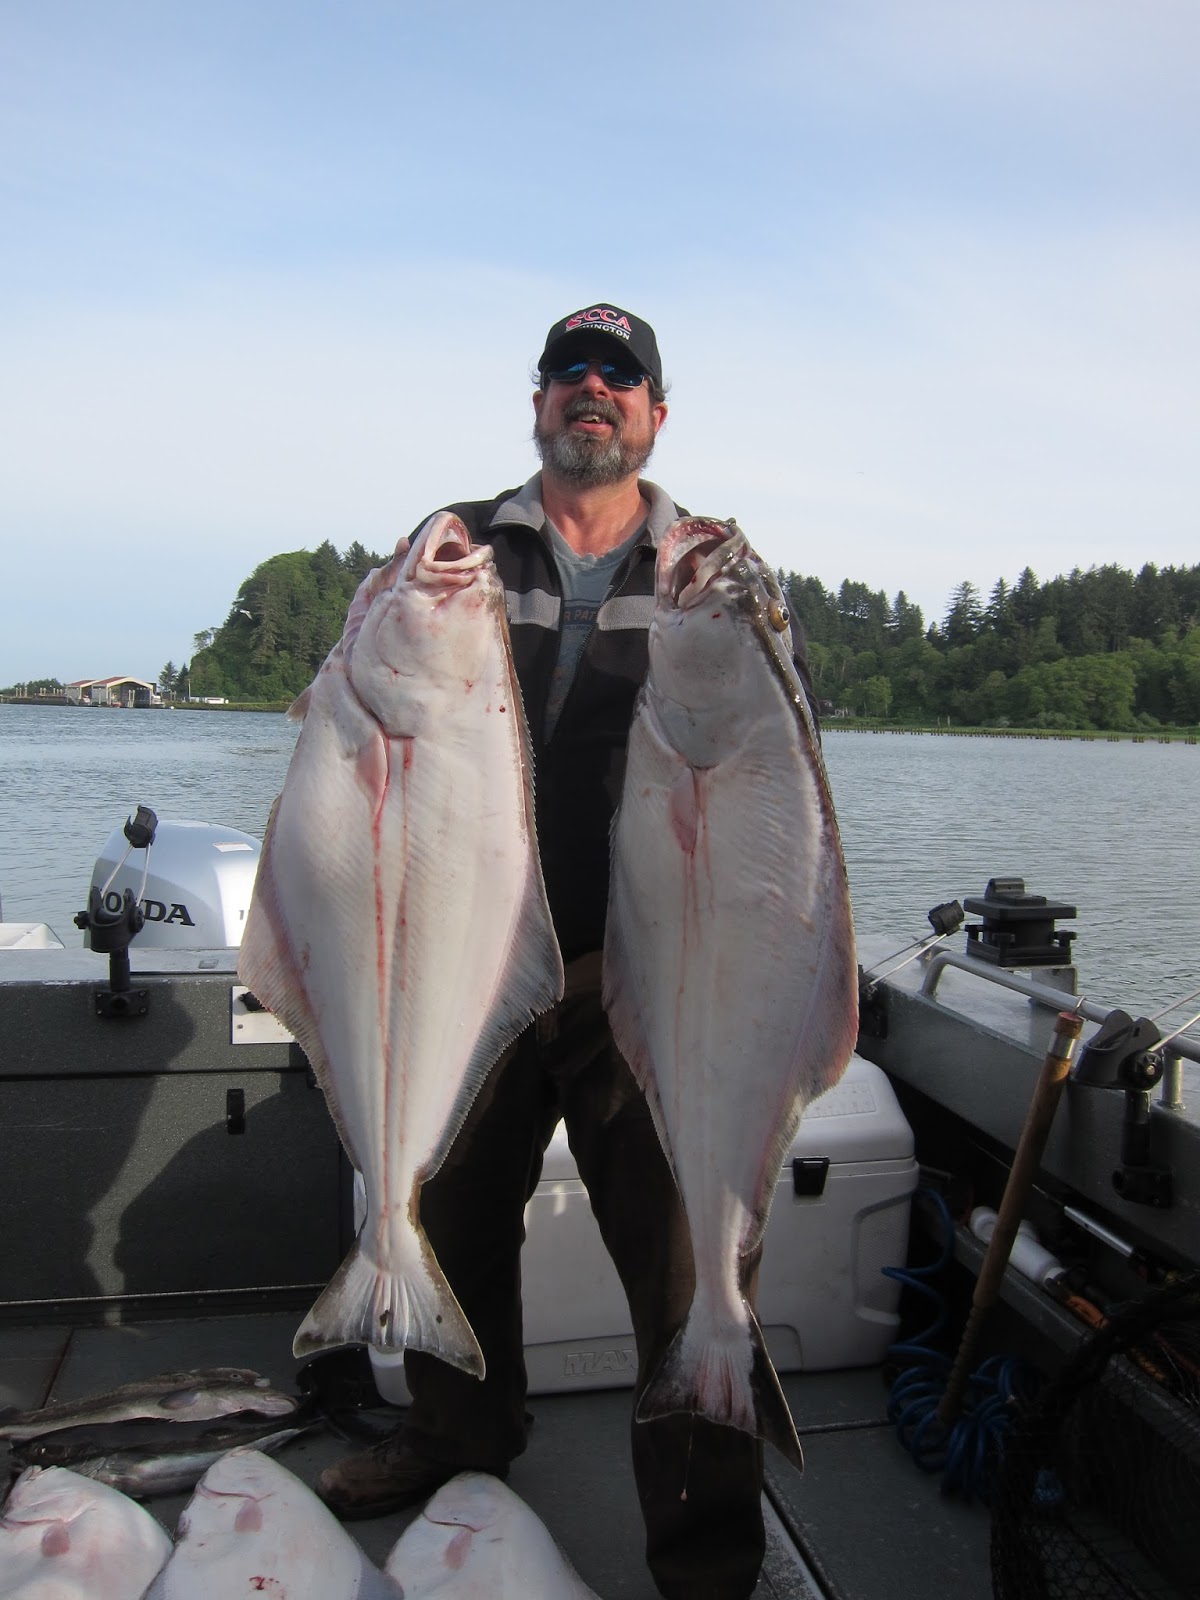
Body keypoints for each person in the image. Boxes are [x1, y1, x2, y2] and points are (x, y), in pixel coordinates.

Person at [316, 303, 813, 1600]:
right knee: (450, 1223)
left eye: (619, 376)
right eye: (568, 373)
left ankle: (707, 1551)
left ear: (656, 411)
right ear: (537, 402)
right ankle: (455, 1441)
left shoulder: (711, 569)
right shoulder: (459, 551)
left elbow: (774, 775)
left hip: (638, 980)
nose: (592, 391)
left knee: (689, 1263)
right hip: (461, 976)